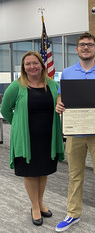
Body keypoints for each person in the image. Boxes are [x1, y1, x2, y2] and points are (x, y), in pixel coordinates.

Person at [55, 32, 95, 232]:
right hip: (74, 132)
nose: (86, 47)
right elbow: (60, 99)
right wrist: (59, 106)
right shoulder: (67, 72)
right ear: (76, 49)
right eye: (82, 45)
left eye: (89, 45)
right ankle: (73, 213)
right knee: (75, 175)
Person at [0, 51, 64, 226]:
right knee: (29, 171)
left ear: (42, 65)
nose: (32, 66)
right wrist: (18, 126)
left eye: (35, 63)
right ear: (23, 67)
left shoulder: (52, 84)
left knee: (43, 171)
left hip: (47, 137)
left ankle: (41, 201)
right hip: (27, 139)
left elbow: (59, 105)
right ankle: (35, 206)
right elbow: (5, 110)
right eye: (27, 64)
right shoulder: (17, 86)